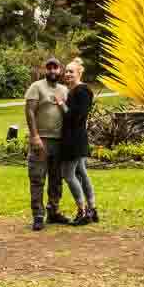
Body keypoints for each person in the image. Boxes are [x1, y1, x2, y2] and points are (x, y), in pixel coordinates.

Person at [24, 57, 70, 231]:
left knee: (56, 179)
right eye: (49, 68)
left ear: (60, 70)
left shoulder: (64, 90)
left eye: (55, 68)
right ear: (45, 70)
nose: (52, 71)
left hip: (59, 141)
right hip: (41, 140)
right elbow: (29, 111)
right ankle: (38, 215)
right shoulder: (36, 87)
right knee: (37, 177)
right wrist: (34, 136)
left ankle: (54, 211)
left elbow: (68, 113)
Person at [57, 58, 97, 225]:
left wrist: (61, 104)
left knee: (68, 174)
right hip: (76, 137)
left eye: (71, 71)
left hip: (74, 139)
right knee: (81, 171)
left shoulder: (82, 91)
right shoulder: (75, 91)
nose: (67, 74)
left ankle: (82, 211)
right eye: (66, 71)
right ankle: (92, 209)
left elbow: (74, 116)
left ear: (79, 73)